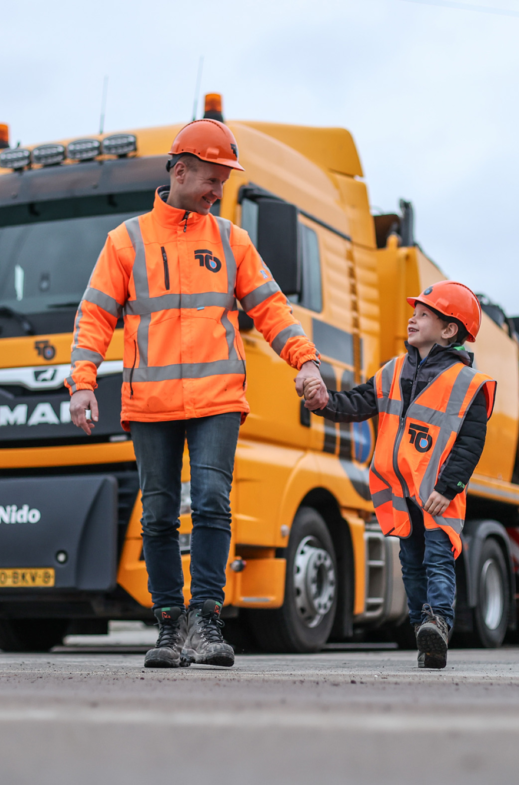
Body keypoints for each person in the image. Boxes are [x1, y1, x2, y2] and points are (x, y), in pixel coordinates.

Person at [66, 118, 327, 668]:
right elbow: (94, 316)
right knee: (159, 515)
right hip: (150, 403)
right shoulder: (126, 241)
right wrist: (82, 383)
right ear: (180, 172)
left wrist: (306, 361)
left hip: (216, 401)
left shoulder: (232, 241)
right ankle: (169, 628)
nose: (217, 192)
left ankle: (206, 623)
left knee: (211, 503)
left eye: (223, 183)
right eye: (212, 180)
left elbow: (271, 308)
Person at [303, 281, 496, 669]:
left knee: (437, 560)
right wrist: (323, 402)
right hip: (401, 493)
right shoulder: (393, 371)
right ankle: (424, 635)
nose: (413, 319)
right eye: (414, 312)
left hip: (438, 494)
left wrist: (448, 488)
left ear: (449, 330)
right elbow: (358, 402)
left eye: (424, 315)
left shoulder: (469, 384)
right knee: (411, 565)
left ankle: (438, 623)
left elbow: (470, 445)